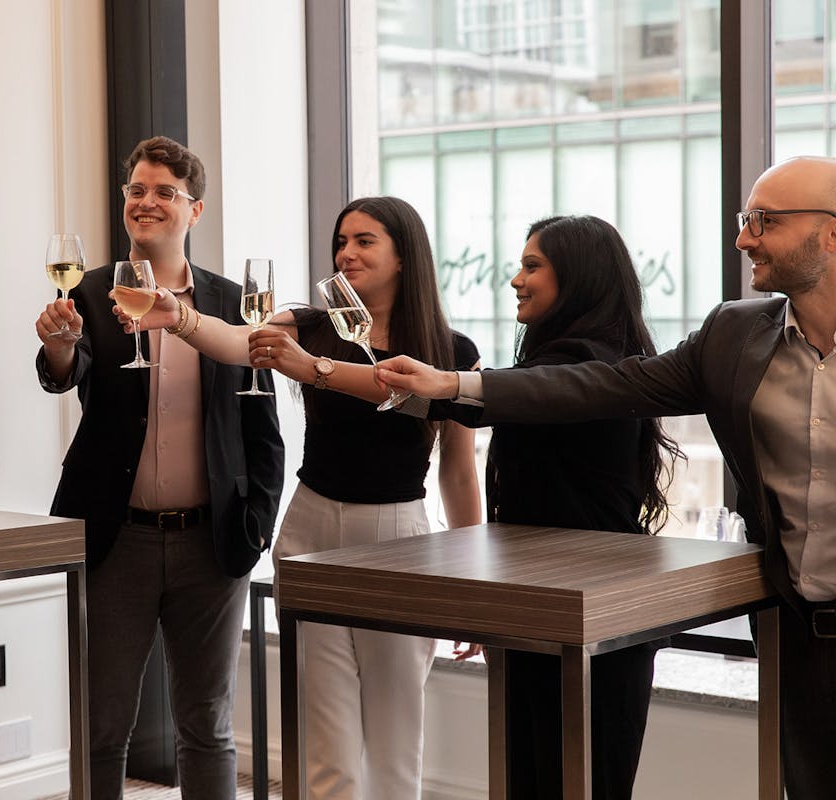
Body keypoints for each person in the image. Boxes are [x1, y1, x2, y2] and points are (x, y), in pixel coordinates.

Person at [375, 156, 836, 799]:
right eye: (743, 219)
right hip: (801, 627)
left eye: (764, 220)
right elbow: (606, 383)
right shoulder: (735, 333)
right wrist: (455, 384)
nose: (743, 238)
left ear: (831, 233)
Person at [127, 195, 482, 800]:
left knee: (397, 745)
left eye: (365, 241)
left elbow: (458, 472)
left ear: (405, 255)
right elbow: (237, 341)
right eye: (341, 241)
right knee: (324, 745)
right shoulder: (310, 324)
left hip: (400, 541)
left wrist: (472, 582)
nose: (346, 252)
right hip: (311, 530)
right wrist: (178, 317)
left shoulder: (452, 352)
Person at [33, 136, 285, 800]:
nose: (146, 202)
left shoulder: (233, 303)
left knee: (207, 727)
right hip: (117, 541)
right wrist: (60, 349)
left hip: (215, 541)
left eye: (163, 192)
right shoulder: (91, 292)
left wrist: (257, 524)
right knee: (102, 726)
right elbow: (68, 375)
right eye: (136, 191)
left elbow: (265, 432)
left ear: (194, 211)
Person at [421, 214, 681, 798]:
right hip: (551, 610)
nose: (515, 279)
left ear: (580, 278)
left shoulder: (590, 367)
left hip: (586, 616)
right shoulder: (576, 356)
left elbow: (496, 399)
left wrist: (325, 369)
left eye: (533, 265)